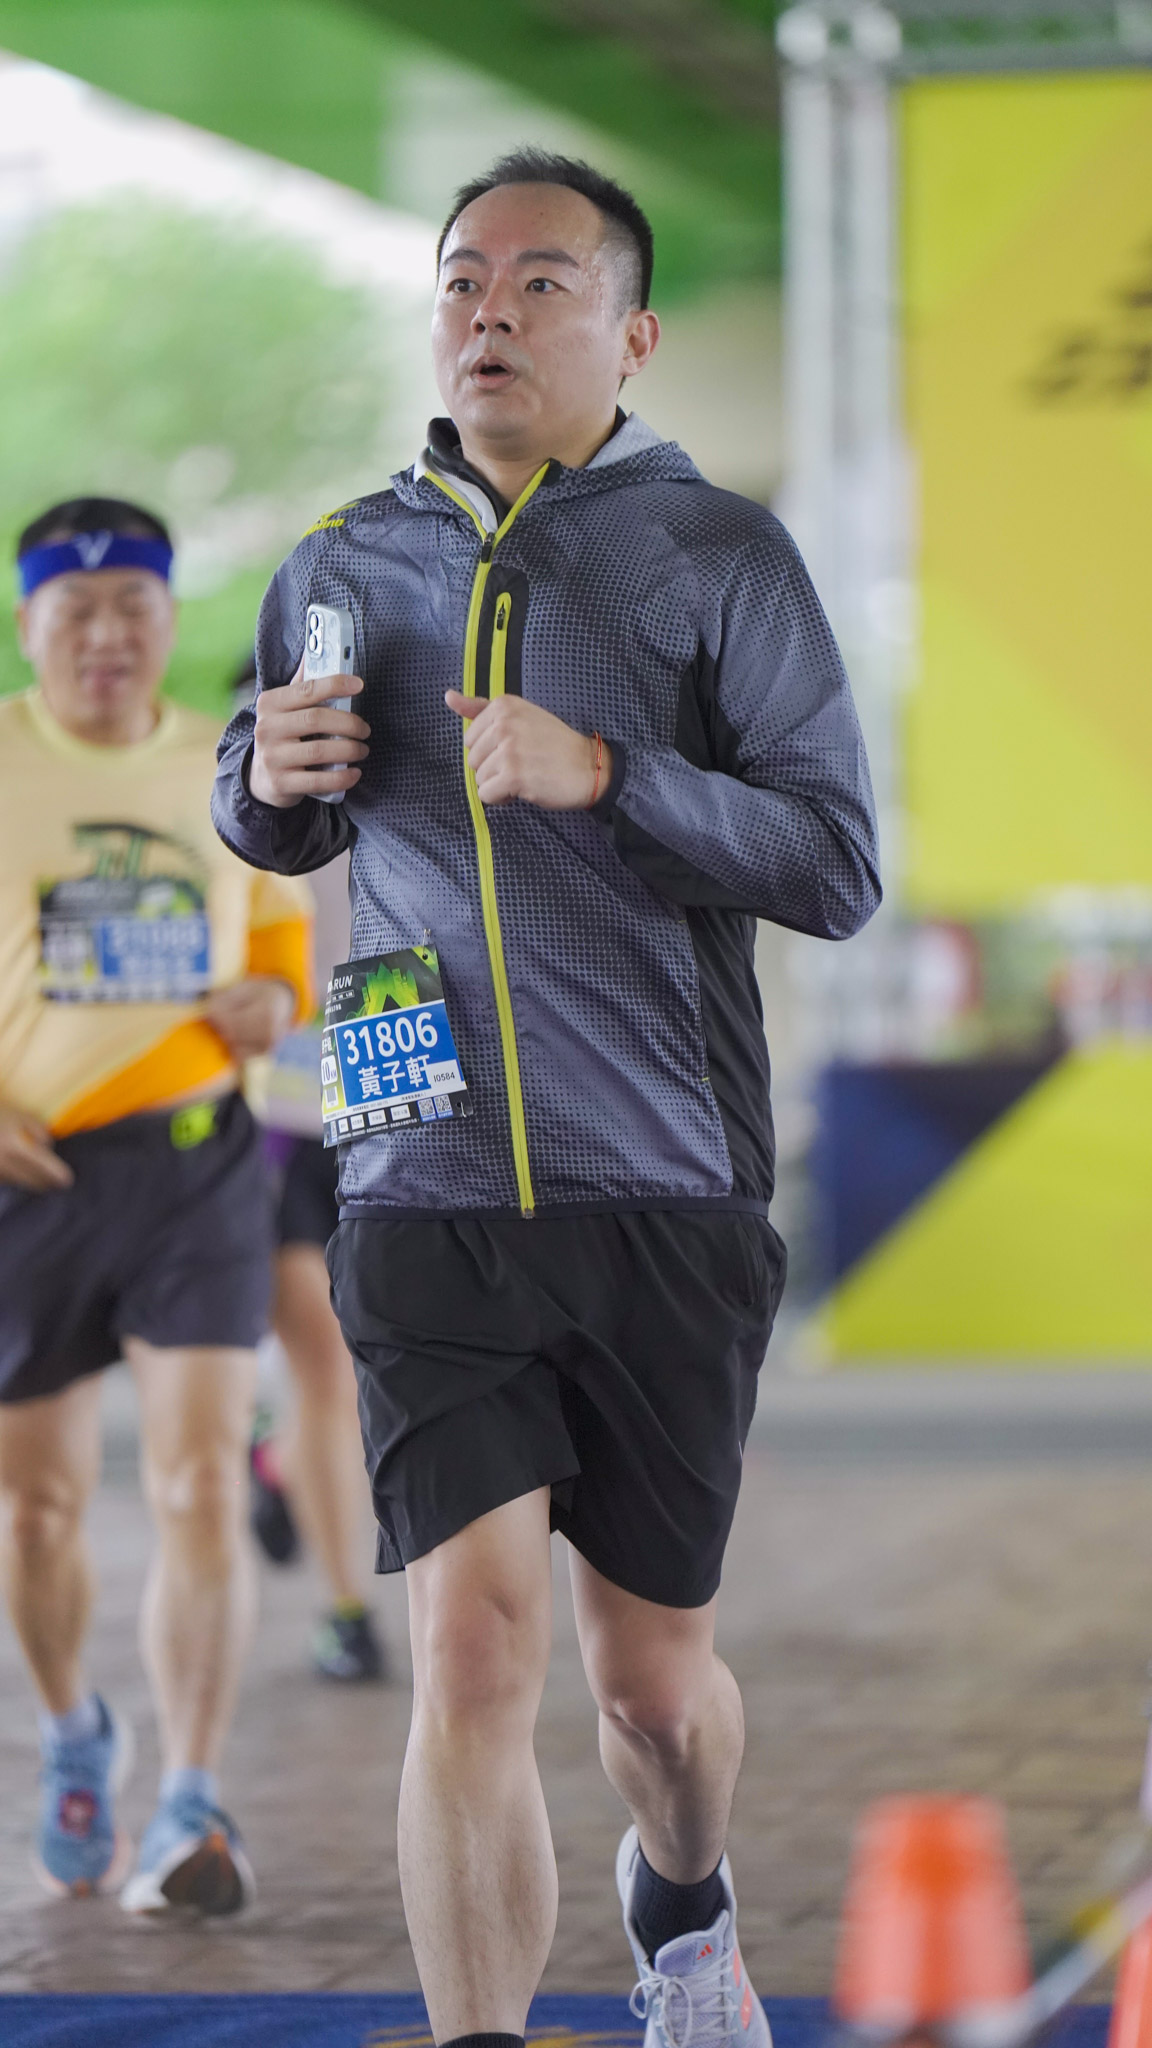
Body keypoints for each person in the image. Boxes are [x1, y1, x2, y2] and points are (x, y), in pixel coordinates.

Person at [213, 150, 880, 2048]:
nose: (487, 312)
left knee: (650, 1693)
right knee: (471, 1646)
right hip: (417, 1176)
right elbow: (269, 808)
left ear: (633, 333)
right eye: (460, 279)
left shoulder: (719, 554)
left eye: (538, 282)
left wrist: (613, 776)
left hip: (664, 1177)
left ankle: (683, 1901)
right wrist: (266, 779)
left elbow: (834, 861)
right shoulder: (340, 558)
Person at [0, 497, 312, 1913]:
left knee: (197, 1482)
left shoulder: (224, 763)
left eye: (134, 607)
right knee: (37, 1512)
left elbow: (282, 940)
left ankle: (191, 1797)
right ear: (30, 626)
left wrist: (277, 999)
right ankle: (75, 1730)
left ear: (168, 618)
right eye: (77, 612)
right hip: (33, 1175)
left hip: (195, 1164)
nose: (108, 636)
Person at [234, 653, 389, 1681]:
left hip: (385, 1094)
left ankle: (277, 1456)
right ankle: (348, 1608)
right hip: (277, 1119)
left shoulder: (396, 775)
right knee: (325, 1364)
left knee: (362, 1371)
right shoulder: (235, 796)